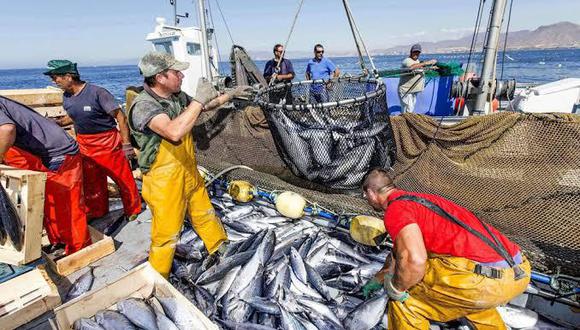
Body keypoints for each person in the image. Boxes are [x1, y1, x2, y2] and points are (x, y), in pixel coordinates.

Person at [128, 51, 253, 278]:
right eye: (176, 72)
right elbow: (174, 132)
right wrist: (197, 100)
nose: (182, 76)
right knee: (166, 233)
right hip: (163, 179)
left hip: (187, 169)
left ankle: (218, 246)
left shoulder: (175, 96)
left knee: (204, 211)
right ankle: (158, 278)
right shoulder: (144, 106)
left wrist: (231, 95)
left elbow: (204, 107)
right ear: (159, 77)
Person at [361, 168, 530, 330]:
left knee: (406, 301)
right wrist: (379, 278)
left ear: (371, 193)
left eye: (365, 194)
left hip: (483, 282)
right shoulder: (422, 200)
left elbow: (415, 260)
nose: (365, 198)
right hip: (516, 273)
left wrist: (397, 288)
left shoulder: (395, 210)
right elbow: (398, 255)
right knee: (461, 298)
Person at [44, 60, 142, 222]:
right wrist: (60, 122)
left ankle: (133, 208)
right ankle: (98, 211)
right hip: (85, 144)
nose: (54, 81)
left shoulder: (98, 93)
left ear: (69, 76)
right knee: (92, 182)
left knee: (122, 178)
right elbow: (74, 115)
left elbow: (121, 117)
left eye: (56, 77)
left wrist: (126, 144)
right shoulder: (67, 97)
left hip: (107, 142)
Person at [0, 96, 91, 255]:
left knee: (68, 205)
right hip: (45, 152)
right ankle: (60, 243)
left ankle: (79, 249)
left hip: (59, 153)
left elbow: (7, 129)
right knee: (49, 202)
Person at [398, 44, 437, 113]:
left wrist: (431, 68)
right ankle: (404, 123)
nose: (416, 53)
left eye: (418, 52)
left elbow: (420, 68)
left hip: (413, 91)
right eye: (414, 52)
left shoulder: (417, 61)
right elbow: (412, 67)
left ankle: (406, 122)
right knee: (408, 111)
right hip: (406, 91)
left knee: (410, 110)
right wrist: (427, 62)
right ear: (411, 52)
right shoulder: (407, 61)